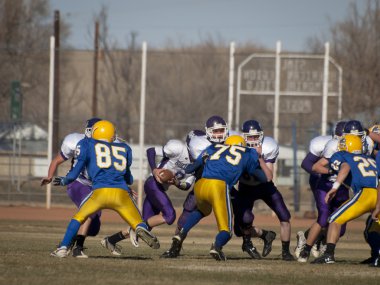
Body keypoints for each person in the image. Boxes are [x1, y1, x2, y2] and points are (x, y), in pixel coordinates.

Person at [50, 120, 160, 258]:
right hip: (121, 194)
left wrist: (65, 180)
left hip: (99, 193)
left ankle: (63, 248)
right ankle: (141, 229)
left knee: (78, 217)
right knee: (138, 221)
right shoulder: (124, 148)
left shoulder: (86, 144)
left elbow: (75, 172)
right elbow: (129, 179)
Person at [170, 135, 261, 261]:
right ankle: (217, 247)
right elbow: (258, 176)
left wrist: (177, 174)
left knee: (202, 211)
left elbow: (191, 168)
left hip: (201, 184)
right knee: (226, 230)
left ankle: (181, 233)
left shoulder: (213, 147)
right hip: (218, 187)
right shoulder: (247, 152)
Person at [231, 120, 293, 261]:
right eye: (249, 137)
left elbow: (268, 177)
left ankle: (285, 252)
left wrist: (258, 158)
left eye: (255, 136)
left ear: (261, 135)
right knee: (241, 227)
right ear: (243, 136)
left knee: (285, 216)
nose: (252, 140)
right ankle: (264, 235)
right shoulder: (237, 145)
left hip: (265, 187)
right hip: (246, 188)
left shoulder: (268, 146)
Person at [41, 117, 102, 258]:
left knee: (93, 228)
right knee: (89, 213)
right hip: (77, 183)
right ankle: (76, 248)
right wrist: (50, 176)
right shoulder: (76, 141)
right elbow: (57, 160)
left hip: (97, 187)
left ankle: (70, 241)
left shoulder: (109, 145)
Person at [312, 134, 378, 264]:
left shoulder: (342, 155)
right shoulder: (370, 158)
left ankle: (328, 255)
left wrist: (335, 187)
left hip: (366, 194)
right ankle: (376, 255)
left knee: (334, 219)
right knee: (373, 227)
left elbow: (346, 167)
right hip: (379, 193)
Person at [295, 121, 347, 260]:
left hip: (342, 187)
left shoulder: (357, 147)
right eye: (338, 136)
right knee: (324, 217)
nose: (341, 140)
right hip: (322, 181)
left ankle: (311, 238)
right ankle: (309, 248)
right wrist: (328, 173)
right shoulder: (325, 144)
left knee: (340, 227)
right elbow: (307, 164)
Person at [161, 130, 211, 258]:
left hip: (221, 186)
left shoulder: (214, 151)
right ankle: (175, 247)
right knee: (183, 219)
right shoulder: (189, 156)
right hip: (200, 187)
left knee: (240, 218)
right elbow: (187, 184)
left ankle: (249, 240)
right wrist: (177, 183)